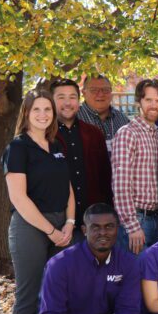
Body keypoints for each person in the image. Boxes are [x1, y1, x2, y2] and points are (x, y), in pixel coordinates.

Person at [3, 89, 76, 314]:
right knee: (29, 296)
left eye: (48, 109)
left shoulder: (55, 144)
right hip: (30, 227)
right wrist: (51, 231)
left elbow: (67, 188)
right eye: (37, 110)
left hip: (61, 225)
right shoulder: (18, 148)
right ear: (26, 113)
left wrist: (69, 223)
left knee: (56, 296)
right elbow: (19, 199)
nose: (43, 114)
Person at [111, 79, 158, 254]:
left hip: (155, 217)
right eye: (148, 100)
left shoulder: (155, 135)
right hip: (136, 220)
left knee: (151, 277)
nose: (153, 105)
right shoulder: (128, 133)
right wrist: (132, 225)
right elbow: (120, 184)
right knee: (134, 277)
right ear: (139, 101)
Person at [51, 78, 111, 225]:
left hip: (91, 220)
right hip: (56, 219)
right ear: (51, 101)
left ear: (79, 100)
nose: (67, 103)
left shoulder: (94, 133)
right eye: (61, 98)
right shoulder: (46, 135)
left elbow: (105, 177)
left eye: (72, 97)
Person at [76, 74, 130, 147]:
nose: (101, 94)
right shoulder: (74, 118)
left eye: (106, 90)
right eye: (94, 90)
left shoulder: (122, 119)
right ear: (84, 93)